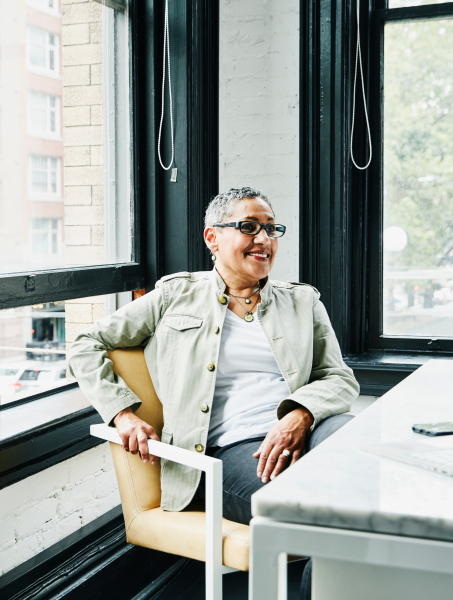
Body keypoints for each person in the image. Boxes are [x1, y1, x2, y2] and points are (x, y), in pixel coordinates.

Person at [68, 187, 359, 598]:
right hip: (228, 453)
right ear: (212, 238)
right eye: (248, 227)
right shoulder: (175, 295)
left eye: (271, 229)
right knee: (329, 514)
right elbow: (85, 343)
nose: (264, 240)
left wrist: (300, 414)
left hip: (308, 429)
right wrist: (123, 414)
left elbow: (339, 378)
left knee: (375, 482)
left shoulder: (302, 301)